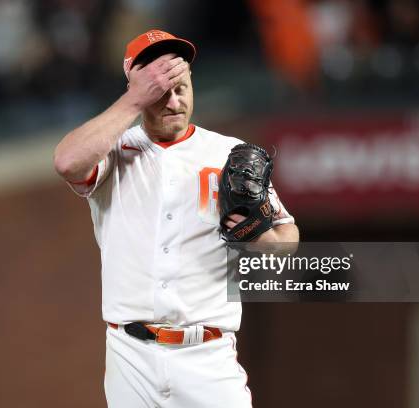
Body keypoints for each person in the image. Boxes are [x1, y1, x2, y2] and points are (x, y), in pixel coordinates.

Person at [54, 29, 299, 408]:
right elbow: (66, 162)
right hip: (130, 355)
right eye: (160, 91)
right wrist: (135, 99)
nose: (174, 101)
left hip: (207, 355)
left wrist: (267, 243)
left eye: (181, 87)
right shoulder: (113, 149)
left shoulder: (227, 153)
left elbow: (288, 237)